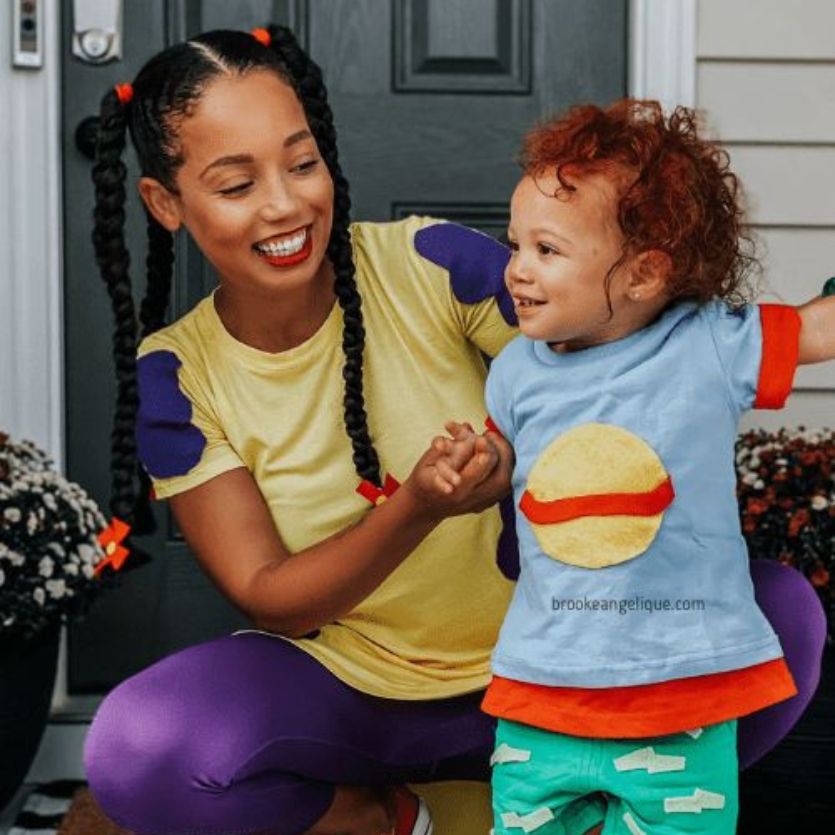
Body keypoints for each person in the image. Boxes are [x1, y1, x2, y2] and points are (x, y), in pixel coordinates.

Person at [82, 25, 824, 835]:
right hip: (352, 695)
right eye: (235, 183)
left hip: (560, 673)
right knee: (143, 746)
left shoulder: (427, 262)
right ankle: (398, 819)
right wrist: (418, 507)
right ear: (166, 204)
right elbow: (271, 599)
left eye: (302, 162)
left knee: (779, 617)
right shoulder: (178, 375)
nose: (286, 202)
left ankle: (615, 804)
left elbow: (624, 337)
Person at [429, 100, 834, 834]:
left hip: (678, 693)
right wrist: (476, 462)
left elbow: (813, 329)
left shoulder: (707, 344)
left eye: (545, 251)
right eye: (514, 243)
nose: (515, 270)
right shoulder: (517, 369)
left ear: (645, 273)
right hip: (540, 690)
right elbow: (505, 461)